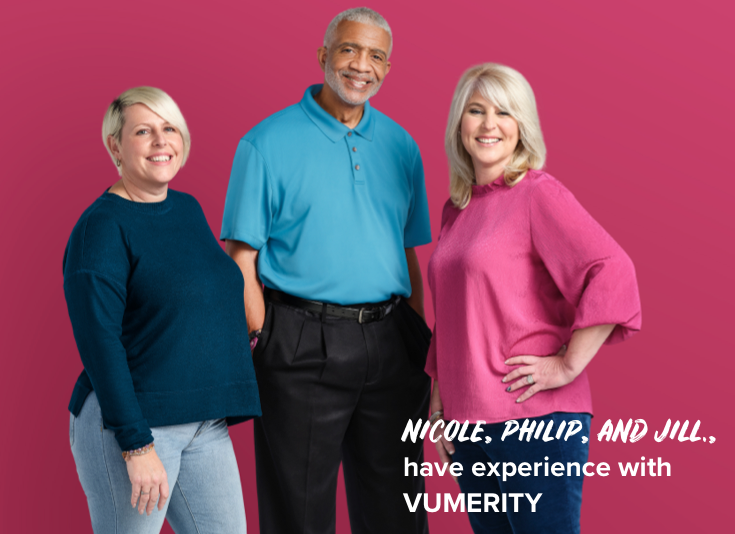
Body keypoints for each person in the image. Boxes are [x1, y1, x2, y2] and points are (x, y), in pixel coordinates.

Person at [221, 7, 433, 534]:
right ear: (322, 56)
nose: (362, 65)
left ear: (387, 68)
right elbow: (241, 259)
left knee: (399, 508)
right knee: (299, 512)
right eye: (349, 49)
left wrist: (415, 339)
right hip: (298, 342)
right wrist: (264, 336)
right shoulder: (264, 144)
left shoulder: (402, 147)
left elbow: (408, 253)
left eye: (377, 56)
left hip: (390, 341)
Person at [426, 63, 641, 534]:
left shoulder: (536, 194)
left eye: (504, 112)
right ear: (458, 124)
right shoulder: (456, 211)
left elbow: (613, 271)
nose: (488, 124)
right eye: (475, 110)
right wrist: (440, 407)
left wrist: (566, 365)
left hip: (534, 421)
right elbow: (456, 314)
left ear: (521, 125)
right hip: (468, 424)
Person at [64, 86, 261, 534]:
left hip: (203, 422)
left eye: (169, 128)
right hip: (132, 424)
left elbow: (194, 297)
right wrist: (135, 445)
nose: (161, 142)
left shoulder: (187, 209)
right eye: (143, 131)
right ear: (115, 144)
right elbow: (99, 341)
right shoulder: (101, 227)